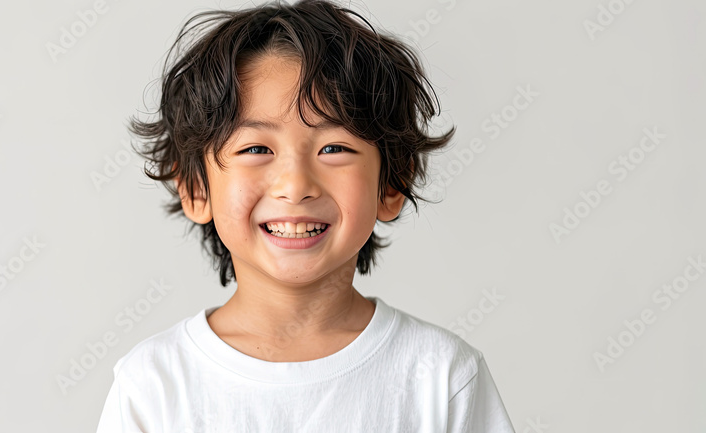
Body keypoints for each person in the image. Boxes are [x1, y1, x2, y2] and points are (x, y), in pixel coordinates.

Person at [97, 0, 515, 431]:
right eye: (256, 149)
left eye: (333, 148)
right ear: (196, 188)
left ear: (390, 186)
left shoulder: (443, 376)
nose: (295, 186)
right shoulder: (153, 385)